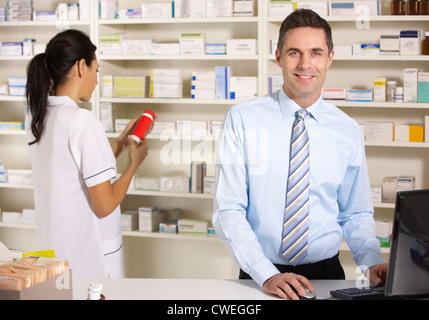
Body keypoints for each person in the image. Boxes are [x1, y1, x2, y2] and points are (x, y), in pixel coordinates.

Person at [212, 9, 388, 300]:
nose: (306, 64)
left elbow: (355, 213)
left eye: (316, 52)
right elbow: (228, 209)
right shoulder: (243, 119)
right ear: (278, 56)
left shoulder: (347, 130)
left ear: (329, 58)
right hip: (262, 276)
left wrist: (370, 261)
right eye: (294, 52)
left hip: (327, 275)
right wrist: (265, 273)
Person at [25, 29, 151, 278]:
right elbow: (104, 205)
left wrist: (119, 145)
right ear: (81, 67)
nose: (96, 80)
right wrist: (133, 165)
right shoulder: (82, 121)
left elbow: (73, 170)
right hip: (90, 259)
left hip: (54, 255)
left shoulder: (36, 117)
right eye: (97, 70)